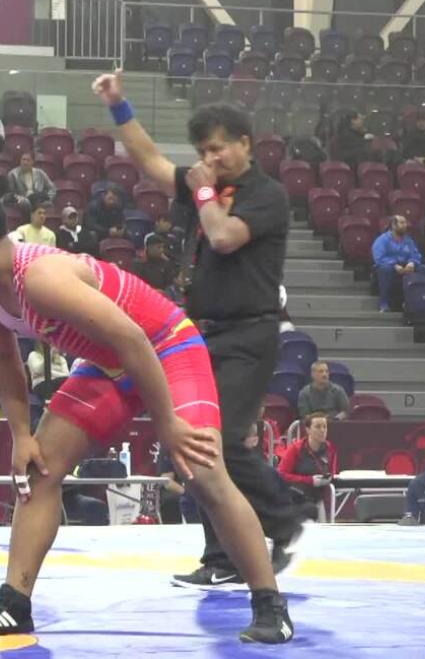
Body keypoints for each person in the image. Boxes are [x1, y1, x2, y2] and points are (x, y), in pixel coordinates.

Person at [0, 184, 291, 642]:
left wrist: (169, 426)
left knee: (201, 471)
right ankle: (13, 606)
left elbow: (134, 339)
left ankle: (270, 606)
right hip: (111, 361)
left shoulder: (40, 276)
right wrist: (21, 436)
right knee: (39, 471)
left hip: (166, 346)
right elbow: (3, 360)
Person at [94, 71, 306, 592]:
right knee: (194, 448)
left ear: (245, 144)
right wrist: (119, 105)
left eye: (218, 149)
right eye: (203, 151)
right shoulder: (207, 189)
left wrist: (204, 188)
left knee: (222, 442)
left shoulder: (266, 195)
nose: (209, 159)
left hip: (249, 334)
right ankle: (221, 556)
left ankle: (284, 520)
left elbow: (223, 236)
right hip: (200, 334)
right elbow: (148, 160)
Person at [276, 412, 336, 517]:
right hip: (296, 499)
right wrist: (310, 480)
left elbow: (332, 471)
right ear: (308, 430)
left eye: (325, 427)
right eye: (318, 427)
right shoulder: (295, 449)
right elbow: (281, 474)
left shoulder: (330, 448)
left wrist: (329, 478)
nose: (322, 430)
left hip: (318, 498)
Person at [372, 214, 425, 312]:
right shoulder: (382, 239)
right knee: (385, 270)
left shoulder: (408, 240)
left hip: (406, 265)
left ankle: (422, 302)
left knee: (424, 269)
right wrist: (394, 265)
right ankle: (384, 303)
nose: (405, 225)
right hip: (389, 266)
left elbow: (415, 254)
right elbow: (379, 258)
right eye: (402, 223)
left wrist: (412, 263)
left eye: (405, 223)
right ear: (393, 225)